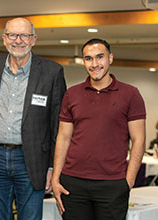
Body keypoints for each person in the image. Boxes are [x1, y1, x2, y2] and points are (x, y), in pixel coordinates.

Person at [0, 17, 66, 220]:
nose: (18, 40)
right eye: (12, 35)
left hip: (32, 160)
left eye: (24, 35)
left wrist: (53, 167)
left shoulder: (52, 72)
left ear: (33, 39)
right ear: (4, 38)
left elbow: (57, 124)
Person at [51, 38, 146, 220]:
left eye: (99, 57)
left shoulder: (131, 94)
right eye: (88, 58)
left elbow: (139, 140)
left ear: (110, 58)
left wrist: (128, 181)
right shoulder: (72, 94)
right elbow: (63, 138)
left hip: (112, 184)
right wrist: (56, 179)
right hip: (73, 183)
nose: (94, 64)